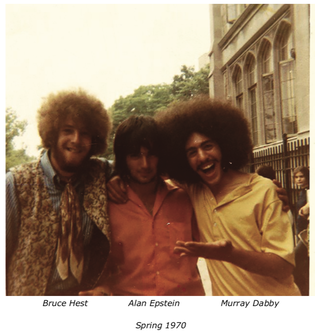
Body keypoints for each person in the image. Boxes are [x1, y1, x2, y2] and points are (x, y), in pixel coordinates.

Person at [154, 96, 300, 296]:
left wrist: (230, 255)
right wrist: (116, 178)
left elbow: (283, 266)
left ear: (224, 145)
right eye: (192, 152)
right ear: (183, 159)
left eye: (208, 146)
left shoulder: (264, 190)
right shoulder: (193, 190)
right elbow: (149, 179)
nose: (203, 157)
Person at [79, 115, 204, 296]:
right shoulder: (106, 207)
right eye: (135, 155)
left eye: (151, 154)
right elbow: (102, 268)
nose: (145, 164)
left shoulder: (184, 198)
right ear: (123, 159)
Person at [6, 88, 112, 296]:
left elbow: (137, 170)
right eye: (68, 130)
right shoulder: (15, 184)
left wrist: (118, 180)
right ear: (52, 133)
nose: (76, 140)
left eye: (85, 133)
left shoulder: (101, 173)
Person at [292, 166, 310, 295]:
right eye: (296, 177)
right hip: (302, 233)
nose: (298, 179)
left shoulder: (310, 191)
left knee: (296, 258)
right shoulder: (303, 192)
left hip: (308, 233)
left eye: (301, 176)